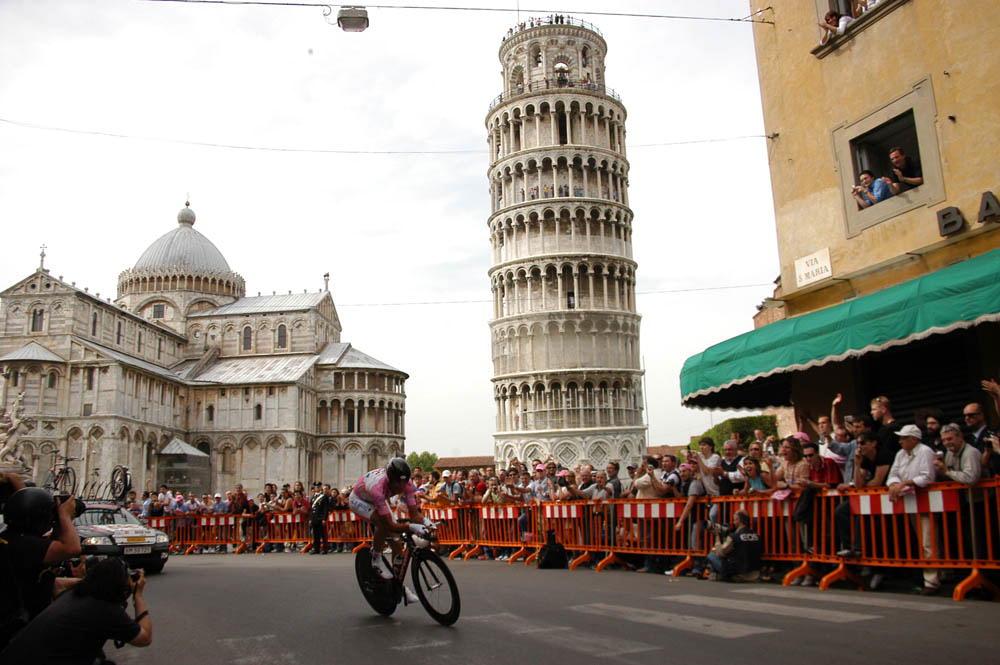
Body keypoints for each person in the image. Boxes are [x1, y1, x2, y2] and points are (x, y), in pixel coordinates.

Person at [0, 558, 152, 664]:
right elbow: (144, 638)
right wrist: (138, 595)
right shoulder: (105, 609)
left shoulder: (75, 594)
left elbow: (57, 583)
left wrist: (90, 581)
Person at [349, 459, 432, 605]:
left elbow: (414, 514)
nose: (400, 487)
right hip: (360, 500)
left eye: (403, 483)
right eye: (396, 484)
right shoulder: (378, 488)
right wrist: (411, 527)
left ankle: (398, 585)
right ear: (389, 479)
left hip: (377, 500)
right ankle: (376, 558)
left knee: (397, 544)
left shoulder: (408, 485)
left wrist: (426, 522)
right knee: (383, 525)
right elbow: (390, 525)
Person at [0, 486, 81, 632]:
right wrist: (64, 516)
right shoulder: (27, 545)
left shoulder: (9, 538)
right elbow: (72, 548)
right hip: (17, 628)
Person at [886, 424, 939, 594]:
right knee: (922, 540)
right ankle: (938, 573)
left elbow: (927, 476)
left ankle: (931, 581)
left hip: (926, 502)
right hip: (910, 503)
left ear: (914, 439)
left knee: (928, 541)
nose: (900, 441)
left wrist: (906, 482)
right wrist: (894, 484)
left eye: (904, 438)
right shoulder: (900, 454)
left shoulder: (925, 451)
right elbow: (893, 473)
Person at [705, 510, 762, 582]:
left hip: (738, 573)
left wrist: (717, 536)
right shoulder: (757, 535)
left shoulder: (734, 536)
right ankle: (717, 576)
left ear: (739, 520)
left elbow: (720, 552)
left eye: (734, 520)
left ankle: (717, 575)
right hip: (754, 574)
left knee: (711, 555)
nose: (733, 522)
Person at [309, 484, 333, 555]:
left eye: (318, 487)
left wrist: (324, 518)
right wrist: (310, 519)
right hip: (314, 518)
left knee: (323, 534)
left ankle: (325, 548)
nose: (317, 488)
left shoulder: (324, 497)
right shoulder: (313, 497)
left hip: (320, 517)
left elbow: (325, 508)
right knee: (315, 534)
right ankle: (316, 548)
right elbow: (311, 509)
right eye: (316, 487)